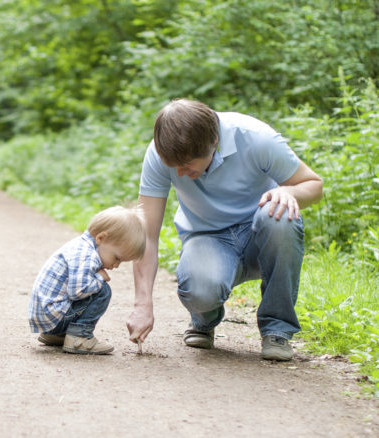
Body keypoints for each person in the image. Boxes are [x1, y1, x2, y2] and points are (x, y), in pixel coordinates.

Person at [127, 99, 323, 361]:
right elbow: (147, 235)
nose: (181, 174)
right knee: (198, 290)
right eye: (175, 166)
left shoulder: (256, 138)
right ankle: (204, 320)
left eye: (188, 165)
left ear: (214, 142)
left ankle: (277, 329)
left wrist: (287, 191)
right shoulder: (159, 154)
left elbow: (314, 185)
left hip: (261, 232)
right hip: (208, 237)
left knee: (281, 213)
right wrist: (142, 304)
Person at [30, 206, 146, 355]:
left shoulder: (81, 246)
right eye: (117, 258)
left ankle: (56, 335)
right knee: (103, 291)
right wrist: (99, 278)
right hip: (52, 318)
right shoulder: (86, 255)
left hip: (48, 318)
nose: (116, 266)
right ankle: (79, 338)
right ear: (101, 238)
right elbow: (78, 292)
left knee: (95, 287)